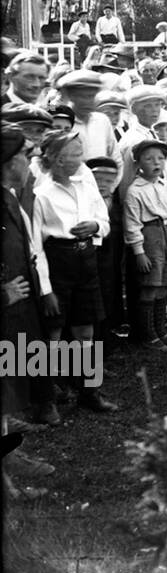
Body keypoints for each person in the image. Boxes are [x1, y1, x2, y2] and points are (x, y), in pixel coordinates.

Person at [32, 130, 118, 412]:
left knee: (86, 331)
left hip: (86, 260)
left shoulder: (86, 185)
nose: (81, 159)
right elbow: (36, 248)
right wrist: (46, 290)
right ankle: (47, 398)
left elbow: (103, 221)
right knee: (53, 333)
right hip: (58, 262)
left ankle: (89, 391)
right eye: (76, 154)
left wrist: (95, 227)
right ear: (58, 159)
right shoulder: (41, 195)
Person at [1, 125, 59, 429]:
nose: (31, 160)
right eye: (26, 155)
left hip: (22, 298)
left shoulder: (11, 197)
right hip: (8, 300)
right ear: (11, 162)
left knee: (25, 349)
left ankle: (23, 411)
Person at [123, 139, 167, 352]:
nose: (156, 163)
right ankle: (147, 335)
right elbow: (132, 225)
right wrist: (139, 252)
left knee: (164, 283)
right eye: (149, 159)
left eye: (160, 158)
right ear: (138, 163)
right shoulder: (135, 190)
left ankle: (161, 331)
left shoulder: (164, 184)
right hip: (150, 236)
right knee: (151, 284)